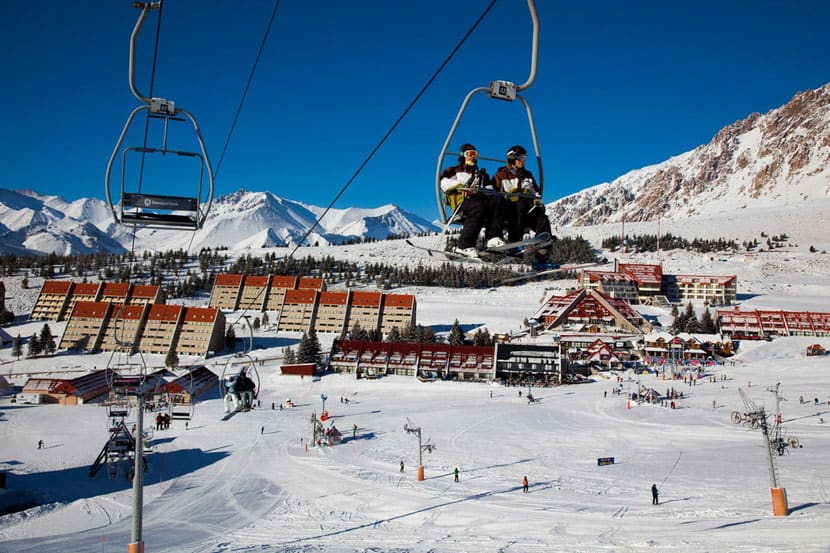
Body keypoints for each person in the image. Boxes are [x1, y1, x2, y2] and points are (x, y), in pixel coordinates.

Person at [491, 145, 555, 270]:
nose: (523, 161)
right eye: (520, 158)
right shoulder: (501, 175)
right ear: (512, 158)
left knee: (542, 218)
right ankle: (514, 242)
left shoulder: (528, 175)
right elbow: (494, 195)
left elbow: (536, 192)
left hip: (527, 210)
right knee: (519, 204)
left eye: (524, 158)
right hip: (510, 211)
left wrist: (537, 201)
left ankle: (541, 256)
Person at [440, 143, 505, 258]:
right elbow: (444, 184)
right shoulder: (454, 170)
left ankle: (493, 237)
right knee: (477, 205)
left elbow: (490, 190)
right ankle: (464, 245)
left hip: (479, 201)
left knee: (497, 199)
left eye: (475, 154)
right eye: (470, 154)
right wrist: (463, 185)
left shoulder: (481, 175)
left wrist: (479, 191)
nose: (473, 157)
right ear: (463, 155)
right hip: (462, 202)